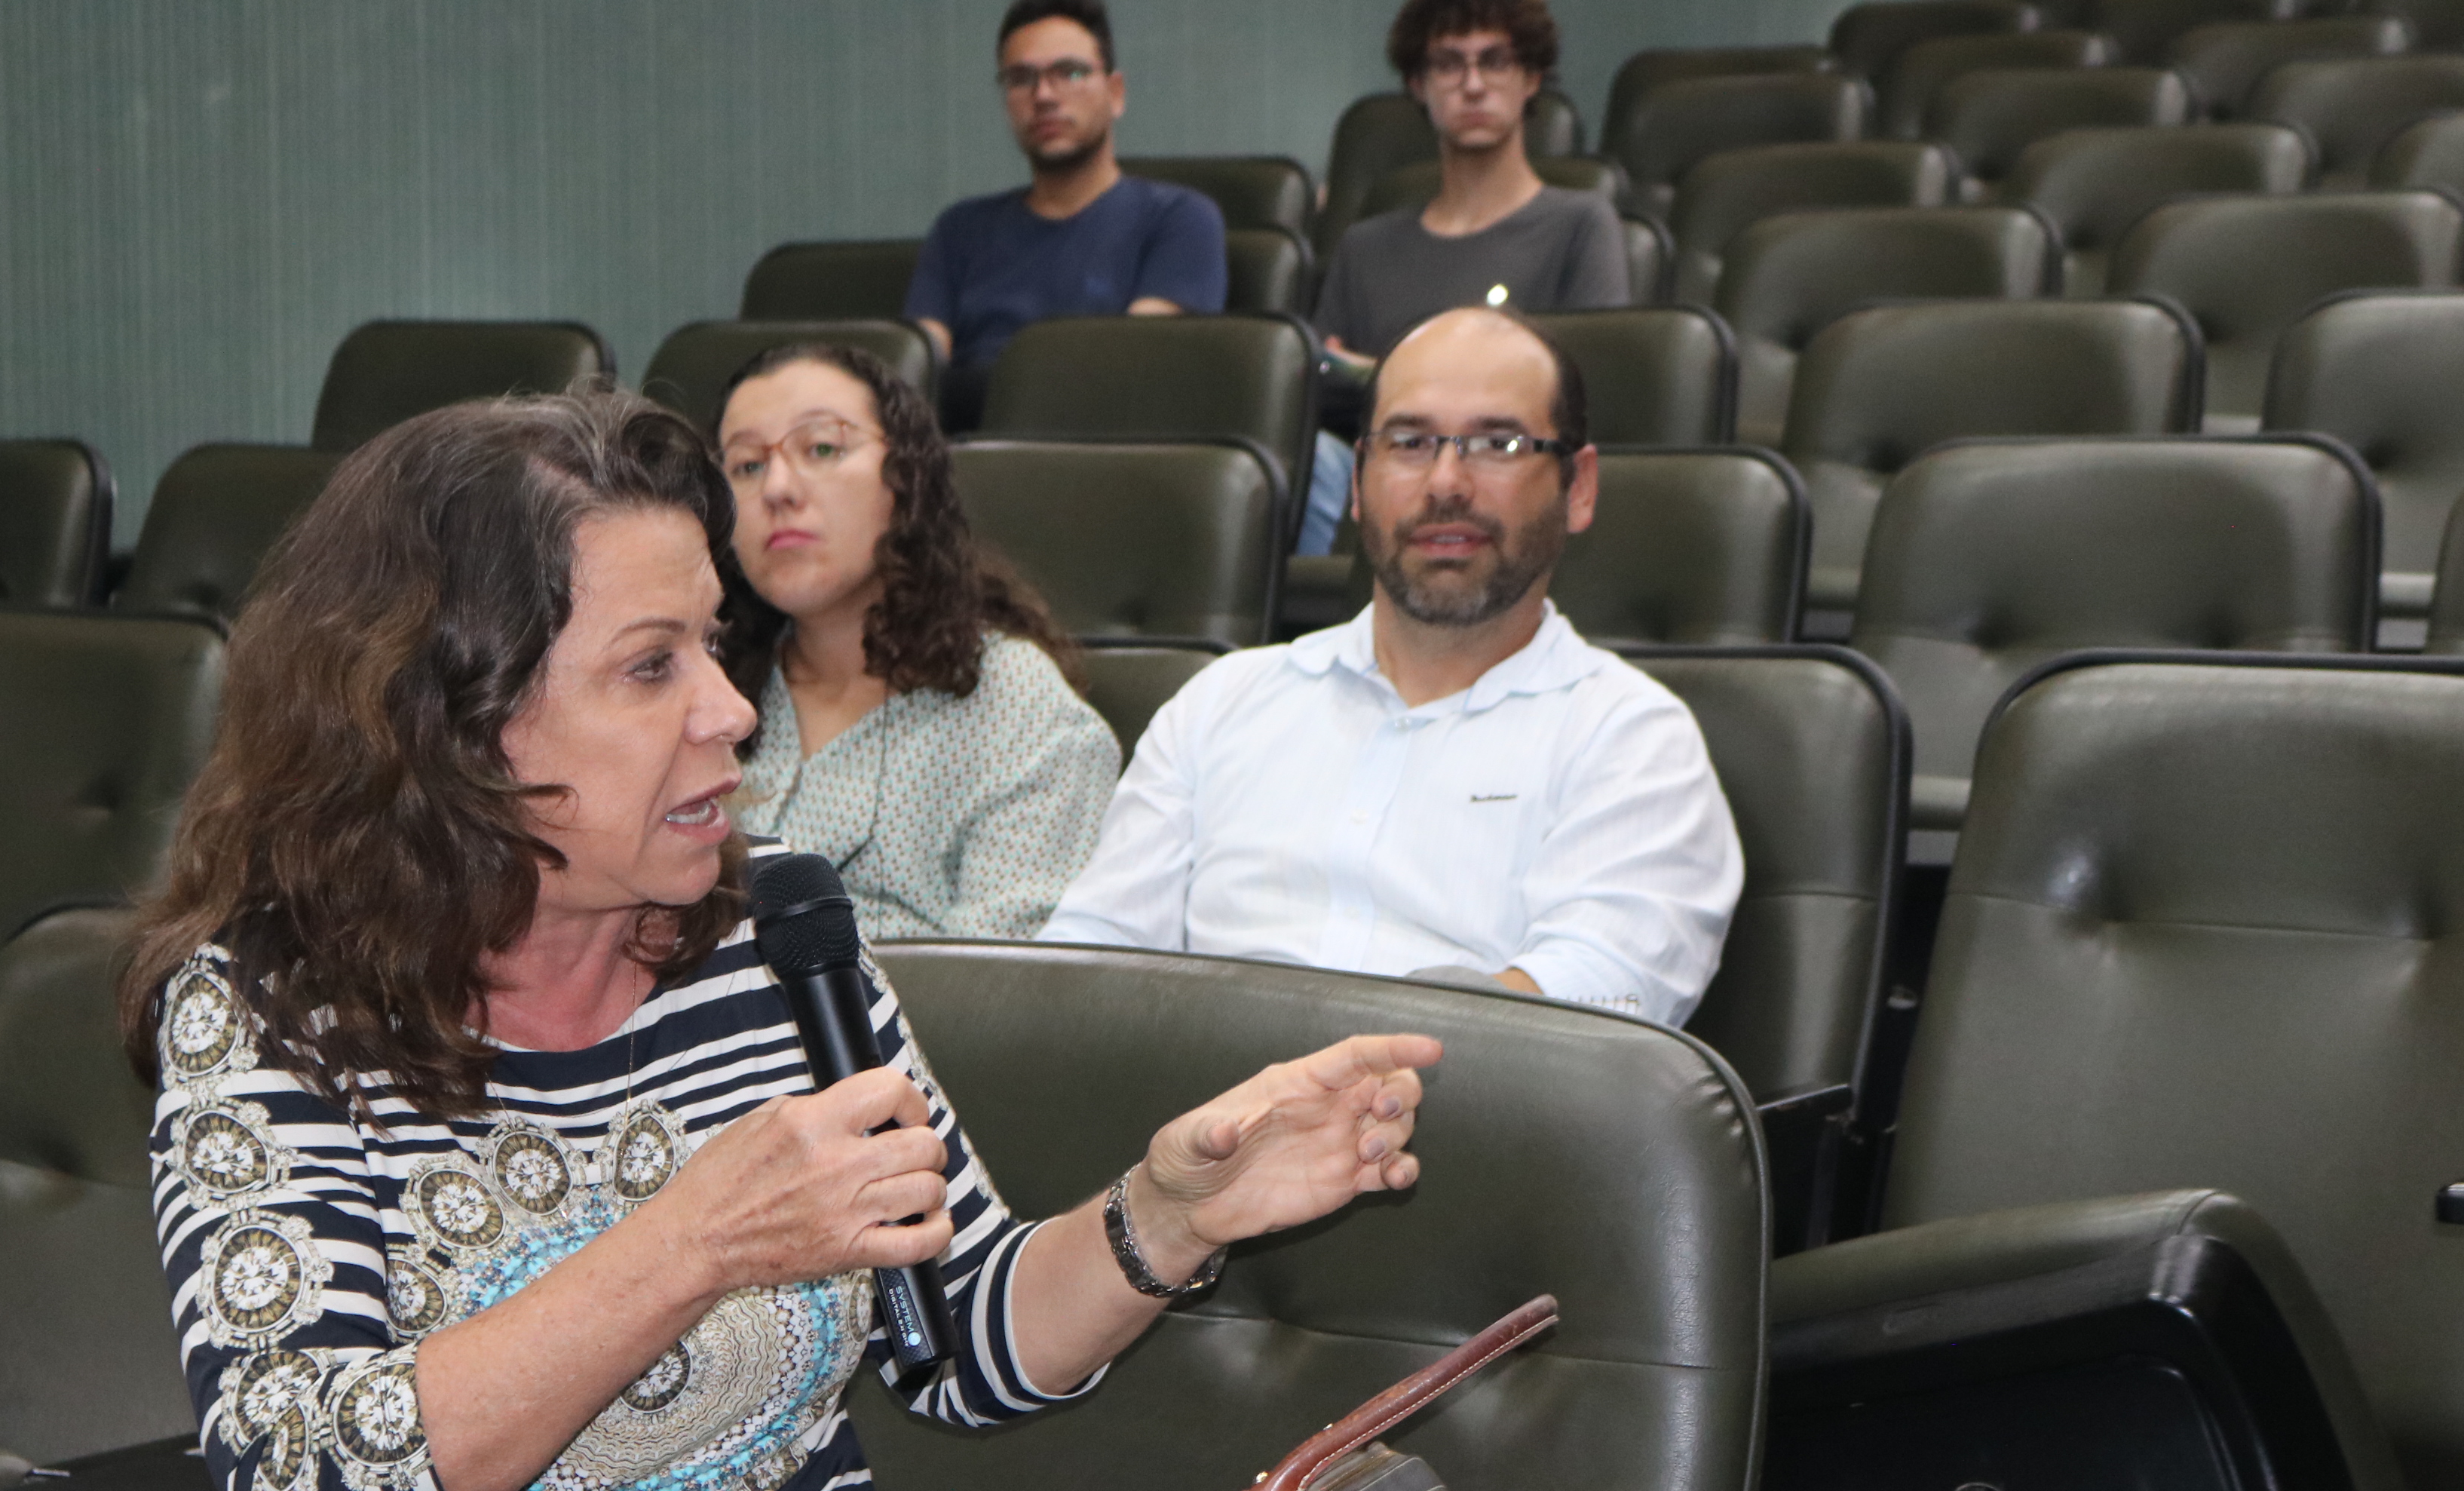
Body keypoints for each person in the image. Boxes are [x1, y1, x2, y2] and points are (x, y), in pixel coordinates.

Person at [121, 386, 1437, 1491]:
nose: (734, 716)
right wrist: (688, 1243)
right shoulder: (270, 1010)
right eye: (649, 667)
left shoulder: (778, 951)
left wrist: (1168, 1214)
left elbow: (957, 1339)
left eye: (713, 648)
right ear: (455, 720)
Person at [1044, 308, 1741, 1026]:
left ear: (1579, 486)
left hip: (1465, 1120)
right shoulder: (1222, 702)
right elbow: (1089, 961)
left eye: (1496, 443)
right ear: (1356, 483)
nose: (1446, 482)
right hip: (1193, 1123)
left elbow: (1593, 1012)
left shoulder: (1633, 739)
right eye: (1409, 442)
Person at [718, 341, 1118, 940]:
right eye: (747, 465)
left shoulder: (1017, 711)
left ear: (907, 477)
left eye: (822, 448)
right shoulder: (702, 695)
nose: (777, 488)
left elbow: (1005, 1002)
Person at [1300, 0, 1630, 553]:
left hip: (1507, 480)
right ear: (1417, 84)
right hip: (1382, 485)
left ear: (1531, 79)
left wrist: (1378, 372)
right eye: (1449, 65)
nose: (1472, 85)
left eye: (1495, 61)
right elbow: (1321, 380)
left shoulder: (1581, 223)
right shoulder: (1367, 245)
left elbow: (1585, 386)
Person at [906, 0, 1226, 428]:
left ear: (1116, 94)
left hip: (1096, 459)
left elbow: (1132, 373)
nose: (1044, 96)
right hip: (962, 455)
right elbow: (913, 372)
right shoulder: (959, 229)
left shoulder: (1180, 219)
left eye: (1070, 72)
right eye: (1021, 79)